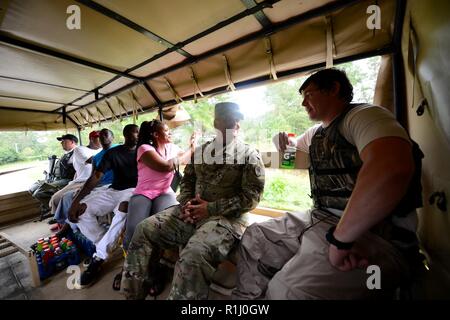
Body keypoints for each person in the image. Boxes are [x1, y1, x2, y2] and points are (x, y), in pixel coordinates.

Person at [232, 68, 423, 299]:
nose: (303, 103)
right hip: (320, 218)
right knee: (255, 237)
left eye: (309, 94)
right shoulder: (316, 133)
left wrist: (341, 240)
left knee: (288, 291)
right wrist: (280, 144)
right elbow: (293, 159)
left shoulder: (365, 116)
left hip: (376, 235)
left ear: (334, 89)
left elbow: (392, 168)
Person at [121, 102, 265, 300]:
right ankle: (134, 294)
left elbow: (251, 197)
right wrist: (187, 203)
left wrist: (210, 208)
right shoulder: (202, 151)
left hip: (226, 218)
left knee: (193, 256)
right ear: (216, 122)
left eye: (236, 122)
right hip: (191, 211)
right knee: (144, 229)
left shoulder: (249, 155)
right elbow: (187, 180)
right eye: (228, 121)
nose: (234, 126)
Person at [110, 120, 196, 290]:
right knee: (134, 229)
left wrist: (193, 147)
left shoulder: (172, 148)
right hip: (144, 192)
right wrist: (189, 151)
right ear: (156, 135)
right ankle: (127, 268)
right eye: (166, 130)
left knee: (162, 227)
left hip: (164, 192)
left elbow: (186, 158)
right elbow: (165, 166)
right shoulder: (144, 149)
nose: (170, 133)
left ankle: (153, 270)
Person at [68, 124, 139, 287]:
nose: (134, 135)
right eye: (131, 133)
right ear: (124, 135)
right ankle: (104, 245)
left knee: (123, 210)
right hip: (113, 190)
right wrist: (76, 201)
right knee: (81, 211)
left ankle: (99, 257)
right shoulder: (113, 153)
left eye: (137, 132)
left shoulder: (144, 151)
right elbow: (96, 176)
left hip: (134, 191)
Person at [53, 128, 117, 237]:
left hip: (114, 184)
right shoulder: (93, 154)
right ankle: (68, 224)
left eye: (106, 135)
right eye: (100, 137)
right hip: (96, 183)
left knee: (78, 200)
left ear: (113, 138)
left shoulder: (119, 149)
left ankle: (68, 227)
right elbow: (93, 176)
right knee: (68, 197)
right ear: (92, 139)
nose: (103, 138)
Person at [48, 130, 101, 222]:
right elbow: (91, 160)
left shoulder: (103, 149)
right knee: (56, 198)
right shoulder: (80, 149)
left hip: (99, 180)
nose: (103, 140)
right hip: (82, 181)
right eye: (99, 138)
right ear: (91, 139)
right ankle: (62, 220)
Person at [29, 134, 78, 216]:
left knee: (39, 192)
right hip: (56, 179)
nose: (61, 143)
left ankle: (55, 211)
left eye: (64, 141)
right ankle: (51, 207)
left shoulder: (76, 153)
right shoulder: (66, 154)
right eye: (61, 142)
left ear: (72, 142)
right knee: (32, 188)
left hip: (67, 180)